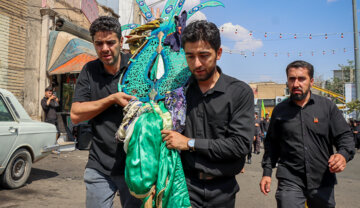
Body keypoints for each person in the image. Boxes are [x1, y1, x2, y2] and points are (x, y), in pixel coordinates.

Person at [161, 20, 254, 208]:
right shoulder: (178, 93)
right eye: (190, 56)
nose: (197, 64)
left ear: (218, 53)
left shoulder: (239, 92)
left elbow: (239, 145)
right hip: (184, 187)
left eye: (204, 55)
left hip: (223, 190)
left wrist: (189, 143)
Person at [260, 60, 355, 208]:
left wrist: (343, 155)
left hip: (322, 179)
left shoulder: (327, 107)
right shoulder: (279, 111)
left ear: (311, 81)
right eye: (292, 79)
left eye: (301, 79)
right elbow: (271, 143)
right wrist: (267, 172)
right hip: (290, 179)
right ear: (287, 81)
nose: (296, 84)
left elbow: (345, 136)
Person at [70, 16, 142, 208]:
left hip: (136, 165)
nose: (104, 49)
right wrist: (112, 99)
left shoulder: (139, 67)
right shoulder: (90, 70)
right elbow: (76, 115)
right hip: (99, 165)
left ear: (121, 41)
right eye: (99, 43)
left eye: (110, 42)